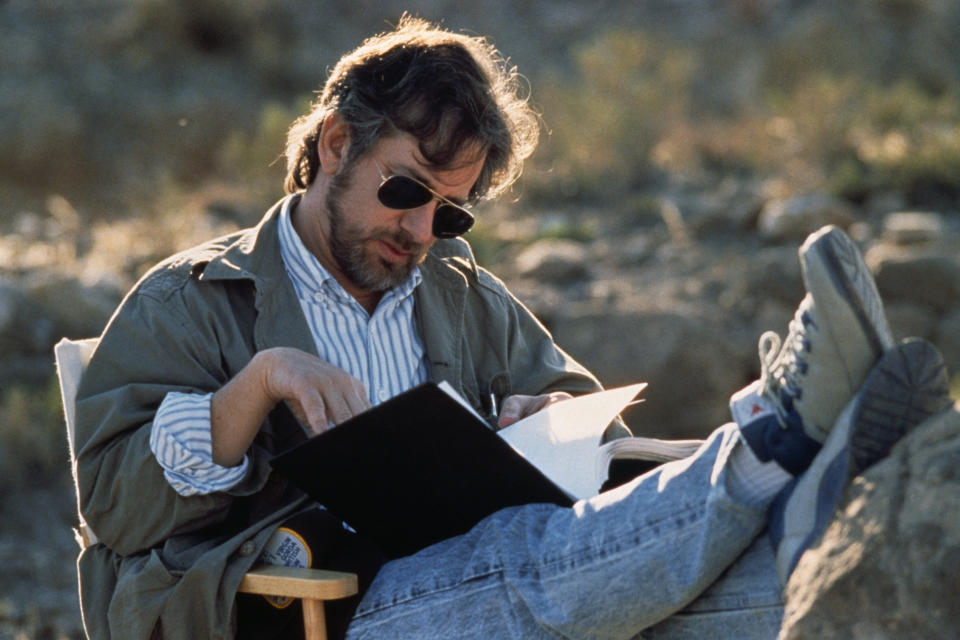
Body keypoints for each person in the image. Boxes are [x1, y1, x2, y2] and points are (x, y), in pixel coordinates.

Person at [72, 15, 950, 640]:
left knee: (746, 604)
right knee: (535, 559)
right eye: (408, 190)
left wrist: (549, 417)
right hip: (321, 606)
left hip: (485, 597)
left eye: (450, 214)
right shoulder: (191, 298)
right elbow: (111, 504)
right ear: (334, 143)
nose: (420, 232)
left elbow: (582, 407)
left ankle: (813, 512)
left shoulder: (452, 288)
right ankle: (775, 449)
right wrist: (257, 384)